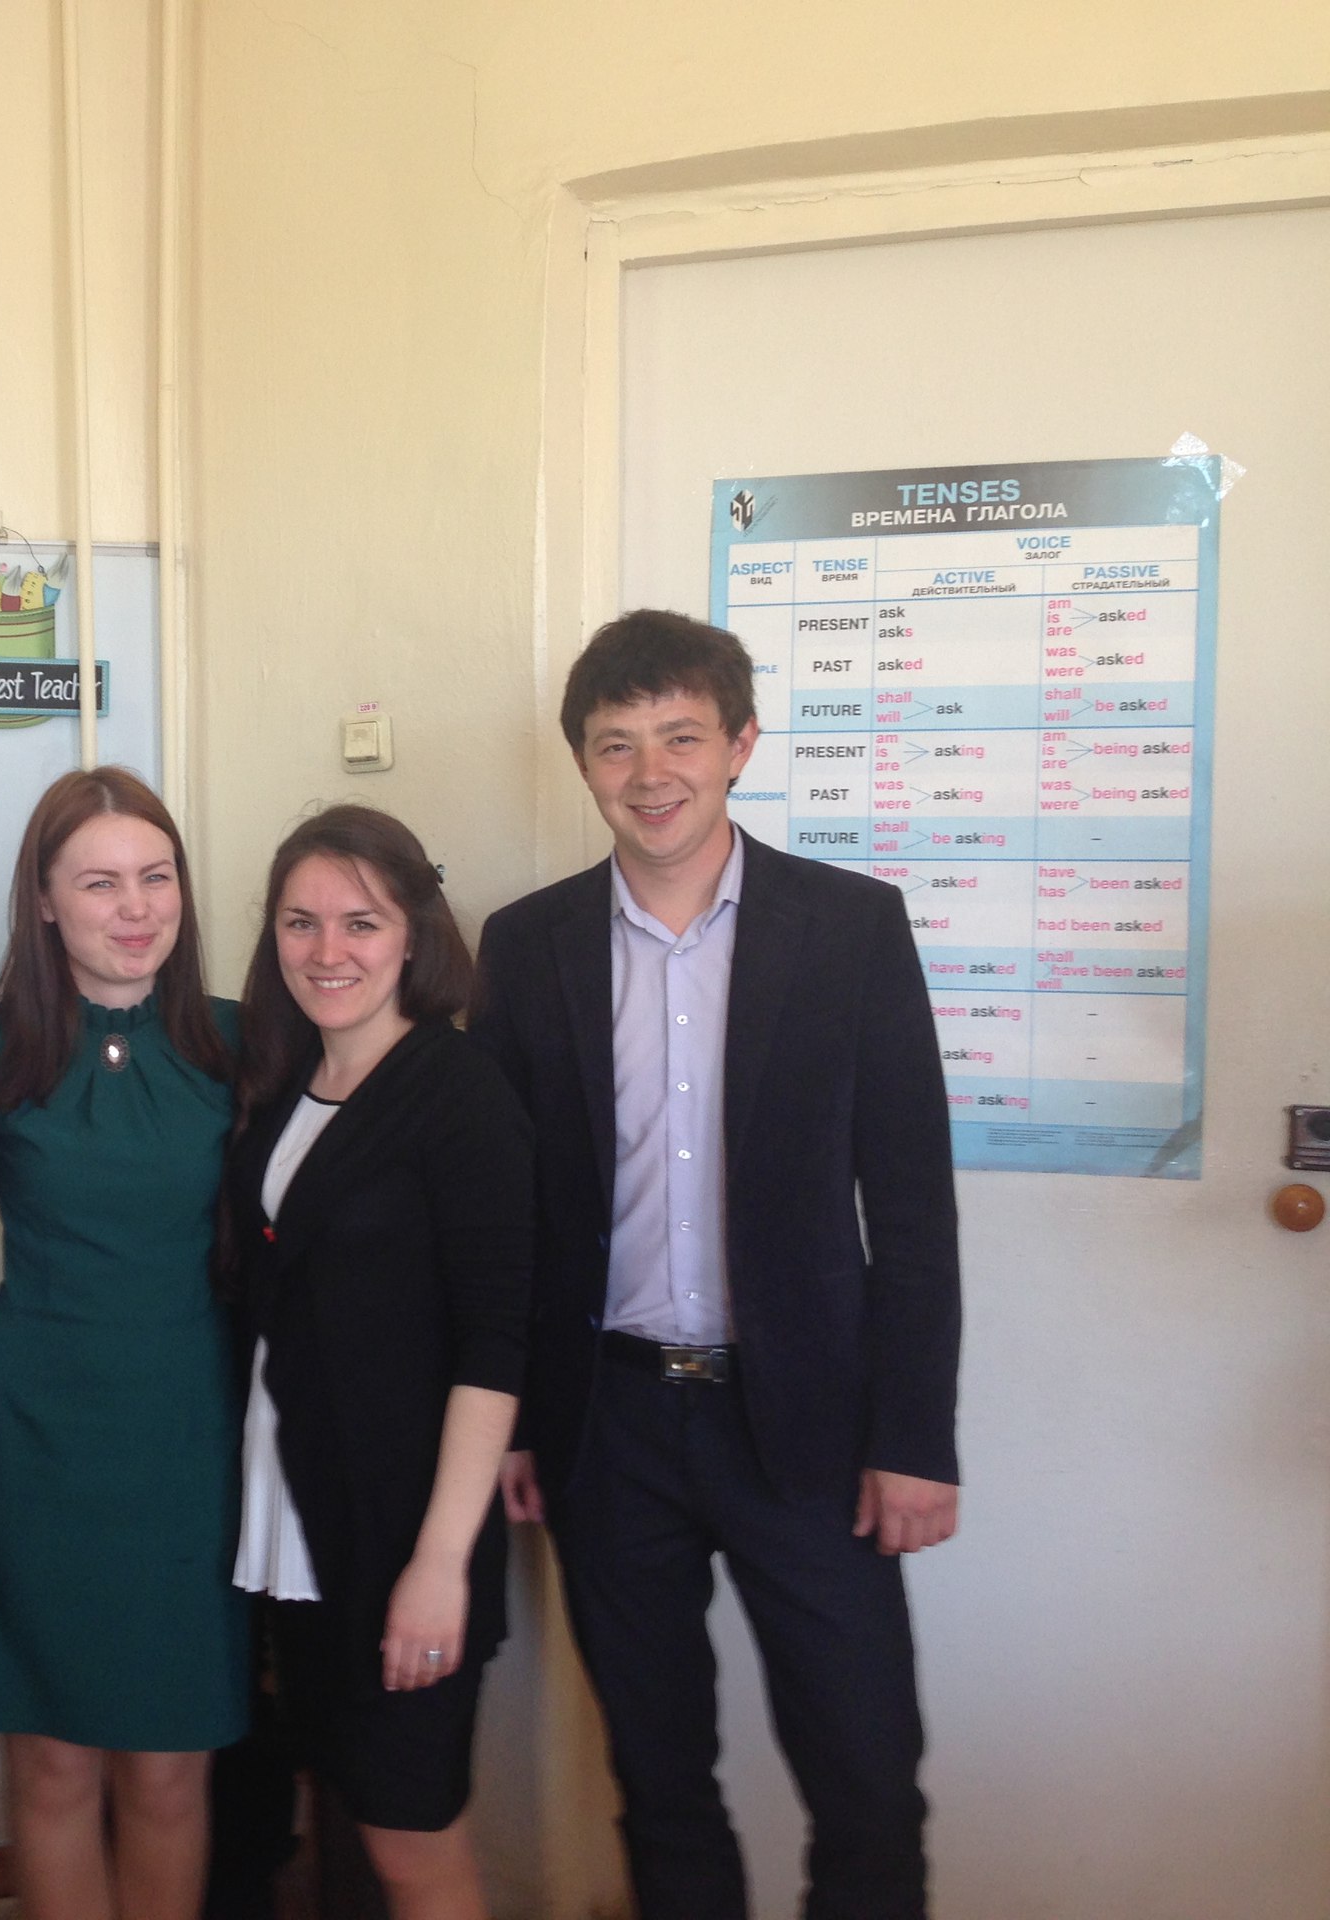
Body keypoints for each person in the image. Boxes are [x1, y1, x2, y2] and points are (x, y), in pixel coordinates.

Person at [476, 609, 961, 1920]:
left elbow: (912, 1209)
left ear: (741, 744)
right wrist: (517, 1417)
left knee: (869, 1780)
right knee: (659, 1781)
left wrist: (914, 1437)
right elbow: (510, 1215)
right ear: (583, 761)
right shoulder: (526, 946)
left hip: (808, 1427)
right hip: (610, 1425)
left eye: (681, 737)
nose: (651, 774)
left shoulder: (850, 928)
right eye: (616, 744)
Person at [0, 766, 245, 1920]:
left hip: (188, 1441)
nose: (135, 907)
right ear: (44, 900)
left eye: (155, 877)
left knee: (168, 1765)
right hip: (38, 1445)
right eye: (100, 882)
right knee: (53, 1760)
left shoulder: (239, 1045)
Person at [219, 804, 531, 1920]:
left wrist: (440, 1564)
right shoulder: (276, 1088)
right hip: (290, 1526)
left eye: (361, 922)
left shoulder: (459, 1092)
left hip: (402, 1537)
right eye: (300, 923)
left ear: (412, 935)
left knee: (410, 1839)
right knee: (333, 1815)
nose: (327, 951)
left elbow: (495, 1345)